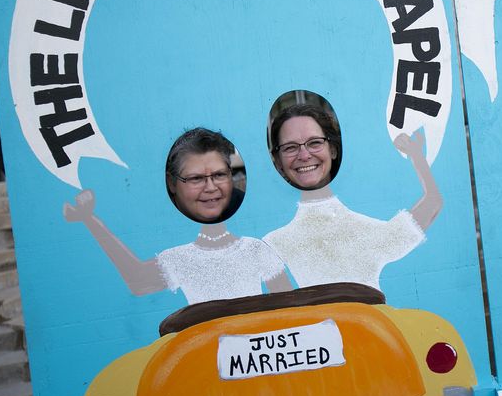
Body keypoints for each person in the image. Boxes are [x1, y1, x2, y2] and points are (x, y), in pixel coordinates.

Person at [63, 127, 292, 305]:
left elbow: (289, 305)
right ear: (172, 183)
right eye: (195, 179)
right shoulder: (180, 258)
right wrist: (90, 219)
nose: (210, 187)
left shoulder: (255, 249)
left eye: (219, 175)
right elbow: (138, 281)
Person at [264, 103, 442, 290]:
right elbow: (286, 312)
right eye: (290, 147)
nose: (304, 154)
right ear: (278, 161)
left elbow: (433, 203)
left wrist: (416, 155)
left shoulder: (364, 232)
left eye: (315, 143)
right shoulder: (274, 244)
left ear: (332, 149)